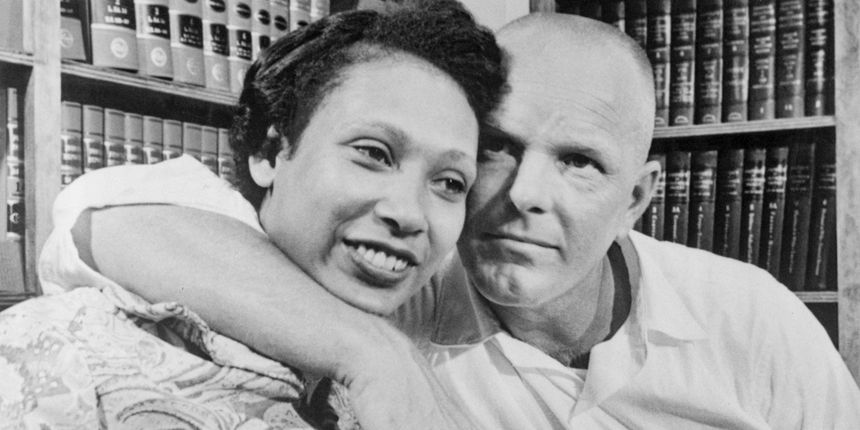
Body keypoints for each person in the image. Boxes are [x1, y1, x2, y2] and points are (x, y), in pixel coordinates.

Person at [35, 11, 860, 430]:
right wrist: (376, 354)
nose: (525, 194)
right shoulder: (402, 282)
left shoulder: (753, 320)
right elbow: (103, 214)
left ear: (637, 200)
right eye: (497, 149)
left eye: (579, 162)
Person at [0, 3, 505, 428]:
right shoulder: (72, 350)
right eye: (373, 153)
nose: (410, 214)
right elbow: (99, 208)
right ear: (270, 153)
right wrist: (374, 353)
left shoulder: (435, 363)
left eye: (449, 183)